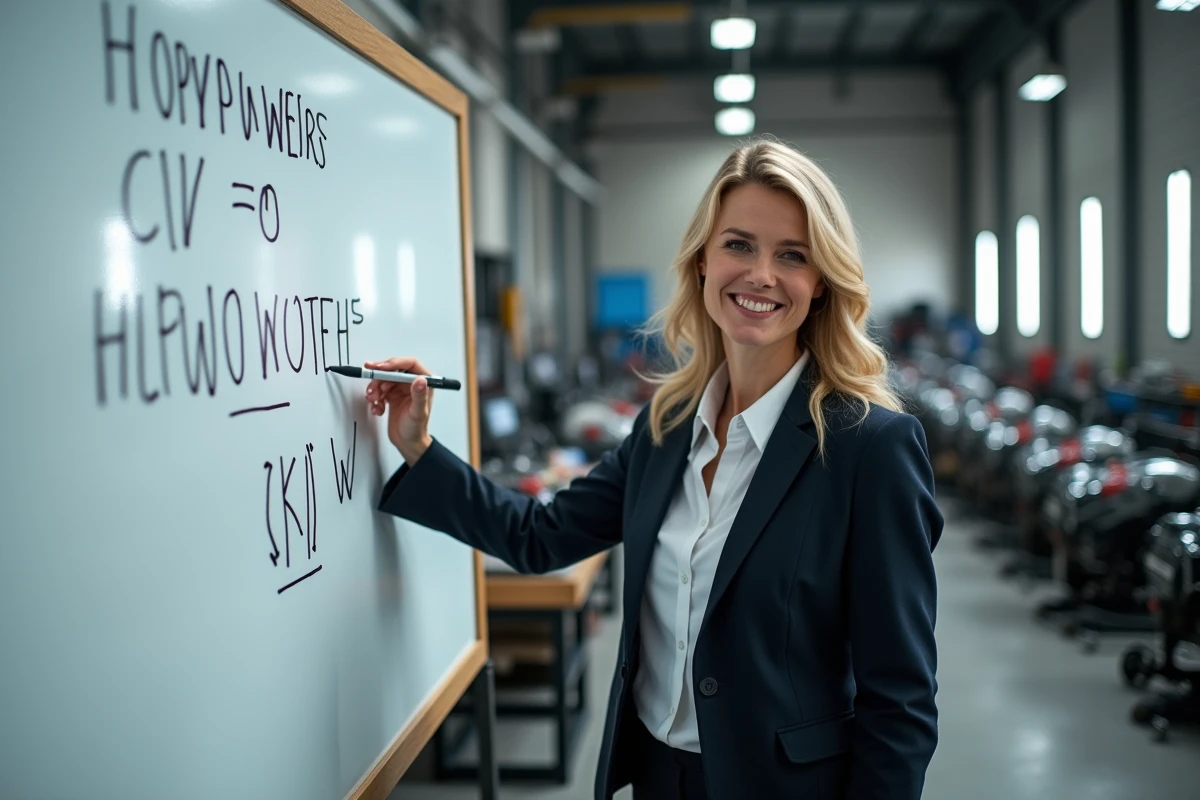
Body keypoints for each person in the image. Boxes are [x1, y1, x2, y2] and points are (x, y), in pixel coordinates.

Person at [366, 139, 942, 800]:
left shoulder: (871, 449)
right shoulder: (666, 427)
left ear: (821, 285)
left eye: (793, 255)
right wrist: (418, 448)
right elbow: (540, 536)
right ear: (702, 261)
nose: (760, 274)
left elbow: (899, 698)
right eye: (738, 245)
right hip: (660, 781)